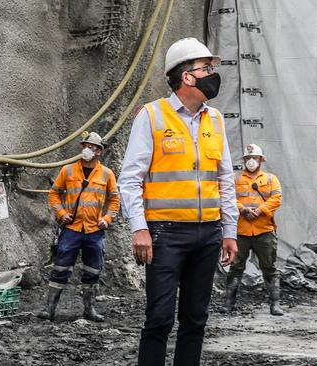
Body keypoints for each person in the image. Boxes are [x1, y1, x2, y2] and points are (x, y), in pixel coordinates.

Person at [118, 37, 238, 366]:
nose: (213, 74)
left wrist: (229, 230)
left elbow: (225, 178)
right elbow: (129, 179)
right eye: (206, 68)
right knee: (159, 320)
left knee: (195, 321)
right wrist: (139, 229)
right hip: (165, 235)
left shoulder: (215, 119)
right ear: (187, 77)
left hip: (208, 234)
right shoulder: (152, 117)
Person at [40, 131, 120, 322]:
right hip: (72, 229)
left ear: (99, 152)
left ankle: (89, 310)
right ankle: (49, 310)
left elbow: (115, 200)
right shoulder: (68, 170)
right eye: (85, 146)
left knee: (93, 270)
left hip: (95, 231)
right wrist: (61, 213)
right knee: (60, 268)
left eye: (91, 147)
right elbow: (54, 194)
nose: (87, 150)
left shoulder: (107, 174)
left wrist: (107, 219)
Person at [219, 143, 283, 315]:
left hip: (264, 230)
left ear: (261, 160)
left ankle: (275, 305)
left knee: (269, 267)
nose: (251, 161)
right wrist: (243, 209)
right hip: (241, 231)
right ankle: (228, 304)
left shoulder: (271, 179)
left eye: (254, 158)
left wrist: (259, 210)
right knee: (236, 267)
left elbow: (277, 198)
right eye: (248, 158)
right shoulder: (235, 178)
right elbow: (228, 196)